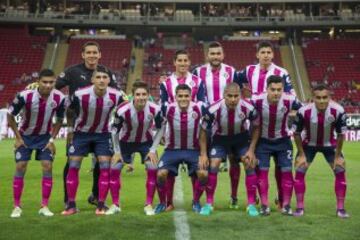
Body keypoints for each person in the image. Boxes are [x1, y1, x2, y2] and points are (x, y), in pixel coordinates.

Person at [55, 41, 122, 208]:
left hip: (101, 129)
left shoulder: (106, 73)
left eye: (95, 53)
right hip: (78, 129)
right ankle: (68, 200)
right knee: (71, 163)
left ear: (99, 55)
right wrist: (69, 128)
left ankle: (96, 196)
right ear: (83, 55)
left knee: (101, 163)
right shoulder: (72, 72)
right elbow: (54, 88)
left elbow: (117, 96)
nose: (92, 55)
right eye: (89, 52)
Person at [236, 40, 296, 208]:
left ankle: (281, 198)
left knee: (280, 166)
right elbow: (235, 81)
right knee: (255, 164)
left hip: (277, 122)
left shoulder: (281, 72)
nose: (266, 55)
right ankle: (257, 196)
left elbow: (290, 94)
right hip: (256, 125)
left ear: (273, 54)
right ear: (257, 55)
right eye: (263, 52)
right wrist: (246, 95)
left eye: (269, 52)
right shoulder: (249, 70)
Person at [8, 69, 66, 218]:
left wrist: (52, 140)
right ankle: (16, 206)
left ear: (55, 82)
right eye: (44, 82)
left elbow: (59, 121)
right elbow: (10, 115)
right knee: (21, 166)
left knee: (47, 166)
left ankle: (44, 206)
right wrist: (18, 137)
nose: (48, 85)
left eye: (51, 82)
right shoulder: (24, 96)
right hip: (25, 137)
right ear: (38, 81)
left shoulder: (60, 98)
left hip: (45, 138)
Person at [199, 83, 260, 216]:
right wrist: (203, 154)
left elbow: (256, 127)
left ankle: (250, 204)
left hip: (240, 139)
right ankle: (209, 203)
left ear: (240, 95)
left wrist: (251, 150)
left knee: (249, 163)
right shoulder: (213, 109)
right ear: (224, 95)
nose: (233, 99)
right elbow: (203, 131)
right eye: (230, 96)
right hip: (220, 139)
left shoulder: (248, 107)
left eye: (236, 96)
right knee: (214, 164)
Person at [193, 41, 242, 208]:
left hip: (229, 121)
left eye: (218, 53)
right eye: (212, 54)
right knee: (205, 161)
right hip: (207, 123)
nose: (215, 56)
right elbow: (194, 95)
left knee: (234, 160)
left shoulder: (231, 71)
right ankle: (201, 200)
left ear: (223, 55)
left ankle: (234, 197)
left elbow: (237, 92)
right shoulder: (198, 72)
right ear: (207, 55)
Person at [148, 84, 208, 214]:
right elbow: (160, 128)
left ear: (191, 96)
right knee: (161, 174)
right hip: (172, 150)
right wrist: (153, 149)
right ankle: (163, 203)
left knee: (203, 174)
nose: (183, 99)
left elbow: (204, 131)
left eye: (186, 96)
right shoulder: (167, 108)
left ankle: (196, 202)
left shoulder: (200, 108)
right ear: (175, 97)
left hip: (193, 150)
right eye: (180, 96)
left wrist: (204, 154)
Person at [292, 84, 349, 218]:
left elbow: (341, 135)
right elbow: (296, 133)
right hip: (308, 145)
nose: (322, 101)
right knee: (299, 171)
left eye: (325, 97)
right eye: (318, 98)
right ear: (313, 98)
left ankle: (340, 209)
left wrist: (337, 156)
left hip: (330, 145)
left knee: (340, 171)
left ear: (329, 97)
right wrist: (301, 154)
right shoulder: (303, 111)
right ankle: (300, 208)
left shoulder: (339, 111)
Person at [159, 50, 206, 211]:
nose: (183, 63)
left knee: (197, 173)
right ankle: (168, 202)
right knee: (168, 173)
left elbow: (201, 105)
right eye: (180, 60)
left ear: (189, 62)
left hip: (193, 130)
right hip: (173, 129)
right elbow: (163, 106)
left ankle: (196, 201)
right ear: (174, 62)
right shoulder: (166, 83)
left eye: (186, 60)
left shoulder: (198, 82)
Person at [108, 81, 162, 216]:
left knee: (153, 169)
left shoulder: (155, 109)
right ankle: (115, 204)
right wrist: (117, 152)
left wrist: (153, 150)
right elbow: (114, 130)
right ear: (133, 96)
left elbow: (161, 128)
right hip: (125, 144)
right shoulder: (122, 110)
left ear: (148, 95)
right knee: (114, 169)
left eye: (144, 94)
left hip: (146, 143)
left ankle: (148, 204)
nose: (141, 97)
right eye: (138, 94)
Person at [251, 75, 302, 216]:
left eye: (279, 89)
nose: (276, 93)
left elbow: (305, 112)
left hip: (283, 141)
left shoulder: (290, 100)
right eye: (272, 89)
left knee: (286, 171)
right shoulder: (256, 100)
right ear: (266, 89)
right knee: (262, 172)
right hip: (263, 142)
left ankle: (285, 205)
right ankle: (264, 205)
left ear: (283, 89)